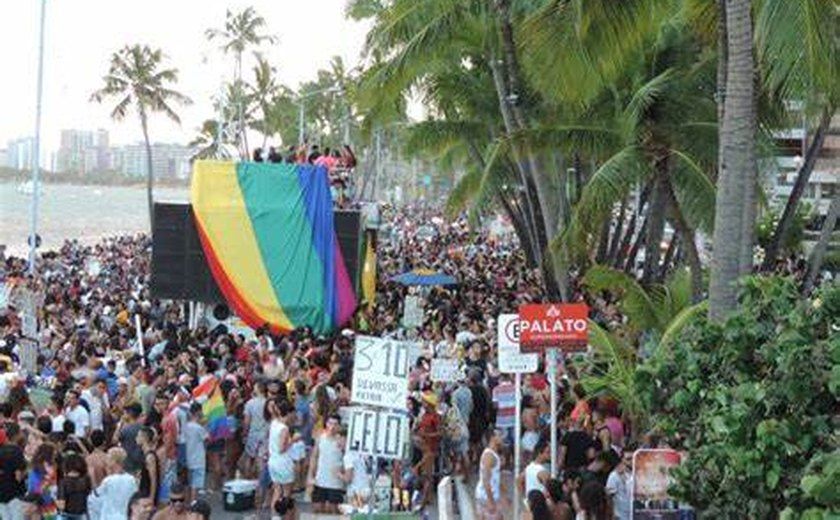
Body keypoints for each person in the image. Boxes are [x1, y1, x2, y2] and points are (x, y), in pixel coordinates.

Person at [307, 415, 345, 514]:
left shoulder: (343, 441)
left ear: (339, 427)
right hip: (320, 480)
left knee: (333, 511)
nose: (332, 427)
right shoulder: (320, 438)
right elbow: (314, 457)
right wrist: (311, 475)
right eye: (330, 423)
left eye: (335, 424)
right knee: (317, 509)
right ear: (326, 424)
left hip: (335, 483)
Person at [93, 447, 138, 520]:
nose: (106, 460)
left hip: (109, 516)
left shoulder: (108, 480)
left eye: (108, 458)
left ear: (114, 461)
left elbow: (97, 494)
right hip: (125, 516)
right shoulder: (131, 479)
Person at [267, 399, 295, 505]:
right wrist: (293, 440)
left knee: (277, 491)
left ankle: (275, 516)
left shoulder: (274, 423)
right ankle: (284, 514)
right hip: (283, 462)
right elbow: (281, 448)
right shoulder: (284, 428)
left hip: (273, 461)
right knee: (286, 493)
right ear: (288, 413)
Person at [475, 428, 507, 520]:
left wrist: (503, 495)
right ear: (493, 438)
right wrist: (490, 501)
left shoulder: (492, 454)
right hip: (486, 497)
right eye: (499, 435)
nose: (502, 438)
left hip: (487, 496)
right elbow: (486, 480)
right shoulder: (489, 455)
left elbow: (496, 478)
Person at [0, 423, 27, 520]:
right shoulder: (17, 451)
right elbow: (18, 477)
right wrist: (28, 471)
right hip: (15, 494)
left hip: (1, 494)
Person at [241, 380, 268, 478]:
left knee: (249, 458)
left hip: (253, 434)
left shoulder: (250, 403)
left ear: (258, 389)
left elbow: (247, 421)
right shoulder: (268, 402)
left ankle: (247, 480)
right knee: (262, 460)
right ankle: (261, 483)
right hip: (265, 435)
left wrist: (244, 433)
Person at [184, 403, 208, 502]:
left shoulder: (186, 426)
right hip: (198, 458)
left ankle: (188, 501)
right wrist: (206, 426)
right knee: (196, 483)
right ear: (199, 412)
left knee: (190, 482)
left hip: (188, 457)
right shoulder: (199, 428)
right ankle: (193, 502)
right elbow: (207, 438)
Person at [56, 452, 92, 520]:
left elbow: (61, 506)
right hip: (83, 516)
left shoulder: (64, 482)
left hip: (67, 516)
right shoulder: (86, 480)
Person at [605, 450, 632, 520]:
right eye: (628, 459)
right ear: (622, 459)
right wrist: (611, 515)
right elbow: (609, 497)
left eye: (633, 458)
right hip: (620, 517)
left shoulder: (638, 473)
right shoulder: (614, 475)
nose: (631, 461)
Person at [137, 426, 160, 506]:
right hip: (143, 491)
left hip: (147, 494)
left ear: (144, 438)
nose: (136, 438)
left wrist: (151, 498)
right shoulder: (145, 455)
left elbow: (154, 479)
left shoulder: (150, 457)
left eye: (138, 436)